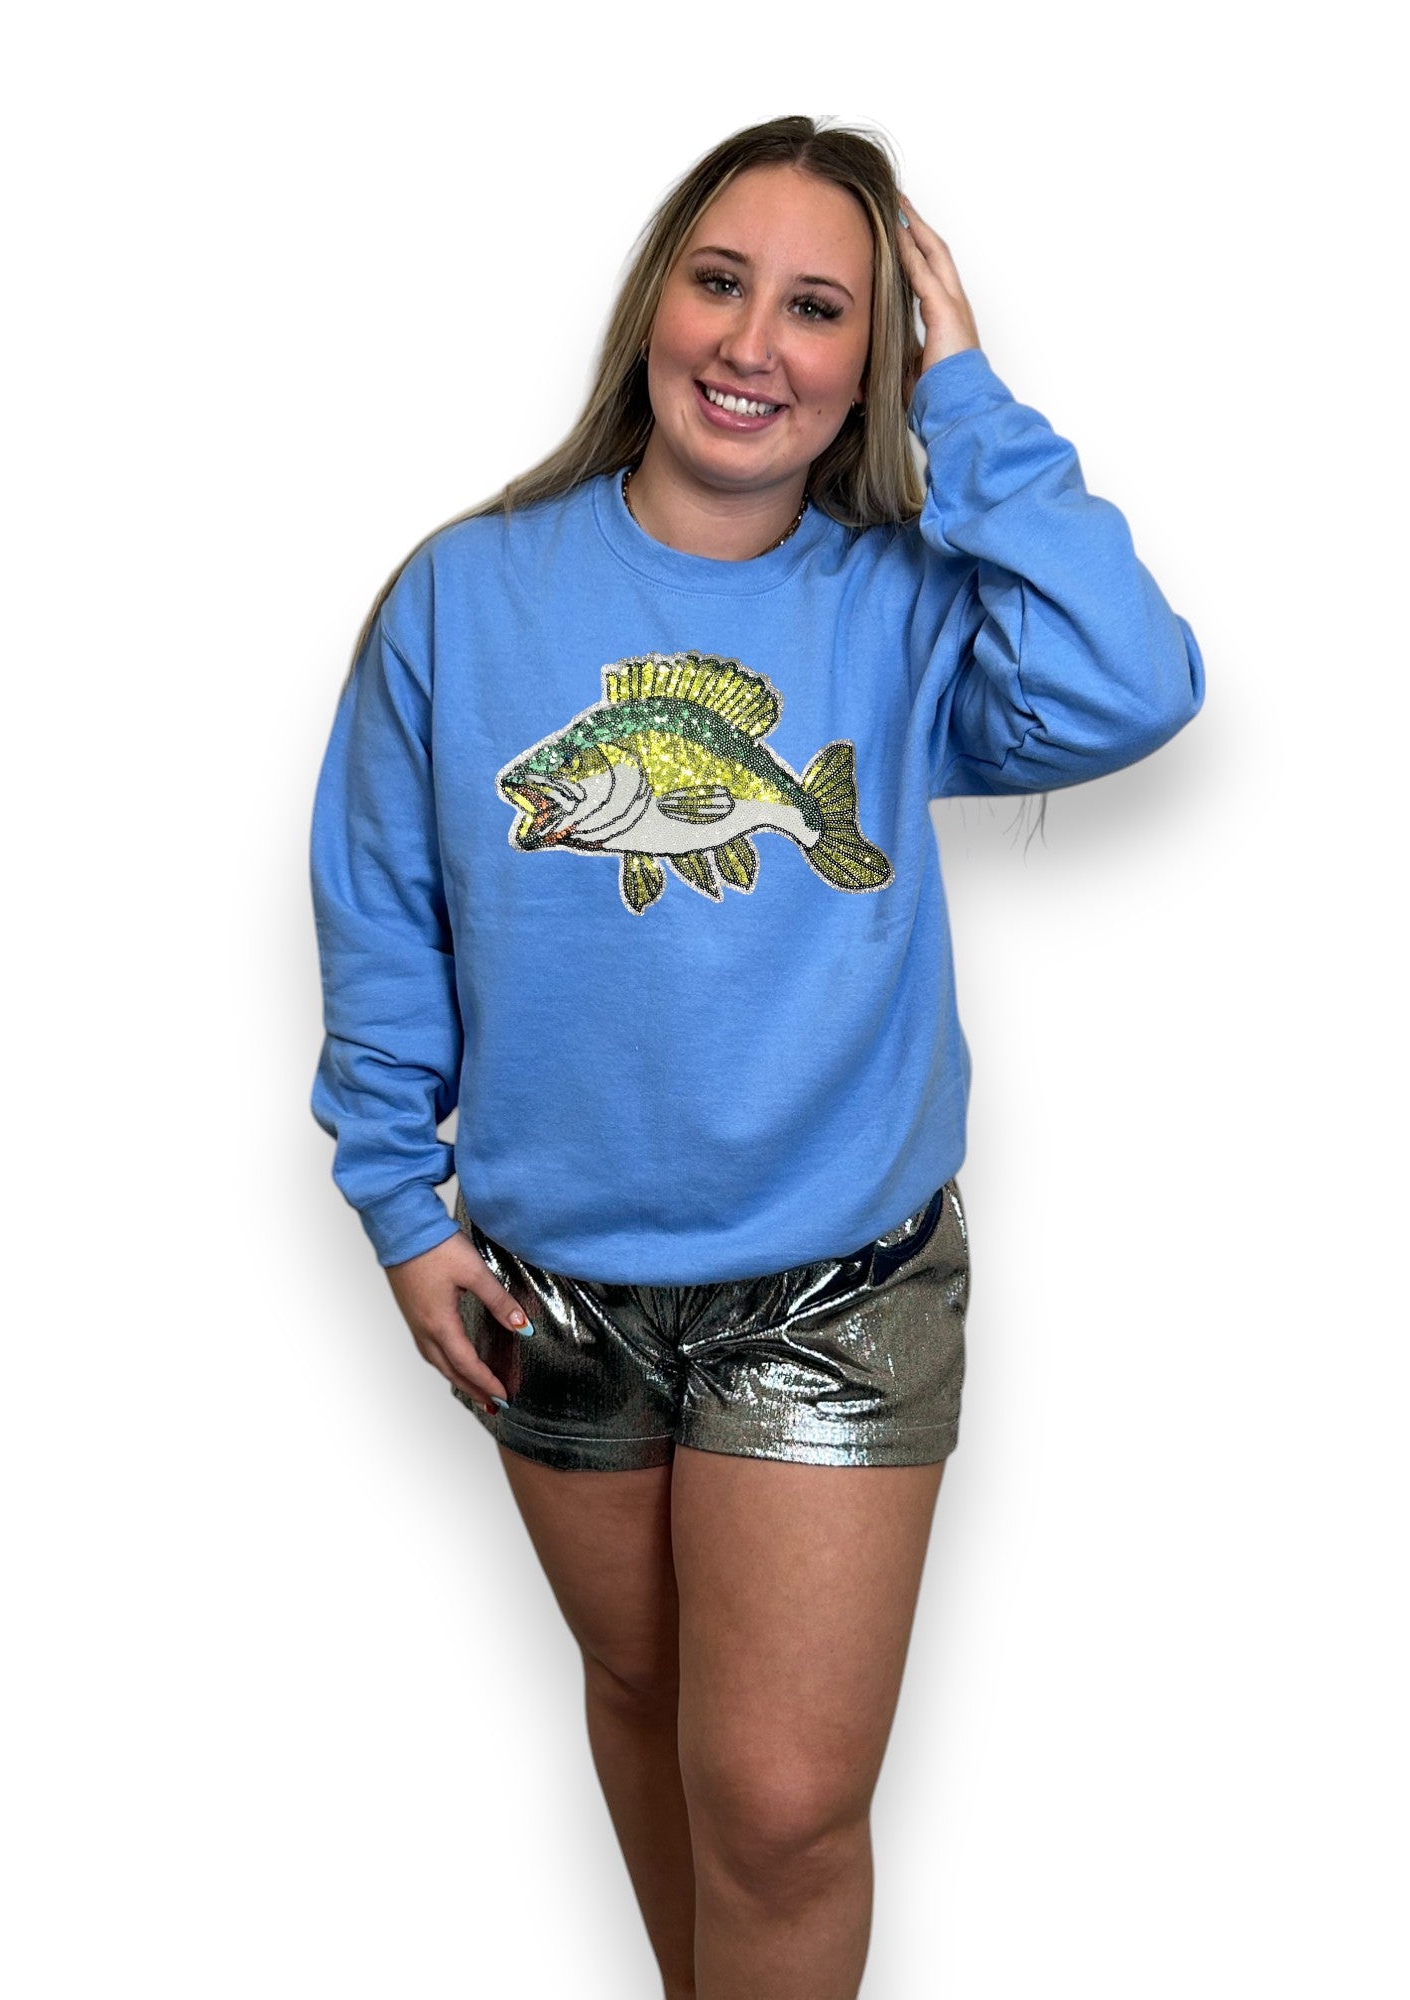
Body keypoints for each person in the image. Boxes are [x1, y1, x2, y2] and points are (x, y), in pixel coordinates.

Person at [308, 114, 1204, 2000]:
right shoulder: (462, 595)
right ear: (656, 302)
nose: (753, 342)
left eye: (821, 309)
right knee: (644, 1697)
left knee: (783, 1803)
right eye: (721, 282)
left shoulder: (901, 603)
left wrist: (974, 407)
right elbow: (386, 911)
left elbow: (1135, 681)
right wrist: (399, 1204)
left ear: (872, 366)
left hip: (840, 1287)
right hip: (552, 1288)